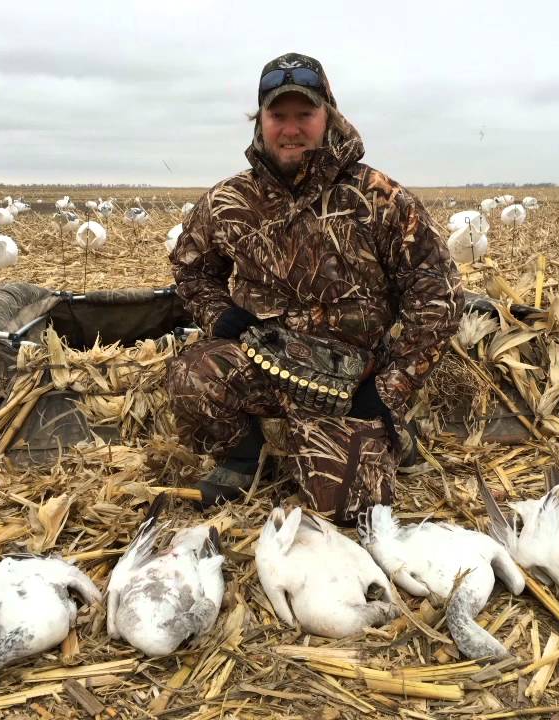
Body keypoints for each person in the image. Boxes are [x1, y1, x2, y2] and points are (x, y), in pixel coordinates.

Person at [165, 52, 464, 525]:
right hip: (264, 359)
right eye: (277, 115)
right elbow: (190, 268)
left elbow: (439, 296)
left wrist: (388, 389)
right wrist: (218, 316)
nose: (290, 129)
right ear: (260, 120)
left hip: (351, 381)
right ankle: (246, 456)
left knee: (345, 512)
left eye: (304, 114)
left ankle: (389, 432)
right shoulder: (228, 202)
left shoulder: (378, 198)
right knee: (191, 379)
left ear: (329, 114)